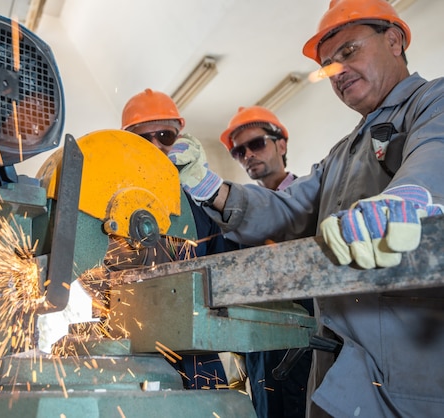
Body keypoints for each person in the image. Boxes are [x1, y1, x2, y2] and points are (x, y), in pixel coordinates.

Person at [169, 0, 444, 416]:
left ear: (393, 40)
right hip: (342, 371)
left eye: (349, 51)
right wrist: (210, 188)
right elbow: (289, 210)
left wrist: (408, 199)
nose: (339, 71)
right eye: (330, 65)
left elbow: (435, 152)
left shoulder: (432, 102)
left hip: (412, 373)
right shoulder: (341, 153)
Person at [121, 88, 241, 390]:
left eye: (165, 135)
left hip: (198, 353)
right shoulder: (113, 202)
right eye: (143, 138)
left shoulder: (198, 202)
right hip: (134, 353)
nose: (155, 145)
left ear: (181, 136)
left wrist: (206, 192)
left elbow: (227, 264)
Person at [220, 106, 313, 418]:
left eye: (256, 144)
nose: (248, 155)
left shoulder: (314, 201)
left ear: (281, 145)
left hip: (310, 336)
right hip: (260, 346)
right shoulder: (235, 221)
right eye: (239, 151)